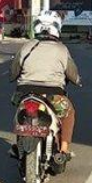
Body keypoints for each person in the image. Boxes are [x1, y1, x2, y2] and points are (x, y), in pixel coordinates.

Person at [10, 10, 81, 157]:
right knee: (68, 113)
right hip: (53, 95)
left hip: (25, 93)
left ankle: (18, 145)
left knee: (20, 114)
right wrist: (78, 81)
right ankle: (63, 149)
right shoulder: (62, 49)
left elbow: (14, 71)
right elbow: (73, 74)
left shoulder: (26, 46)